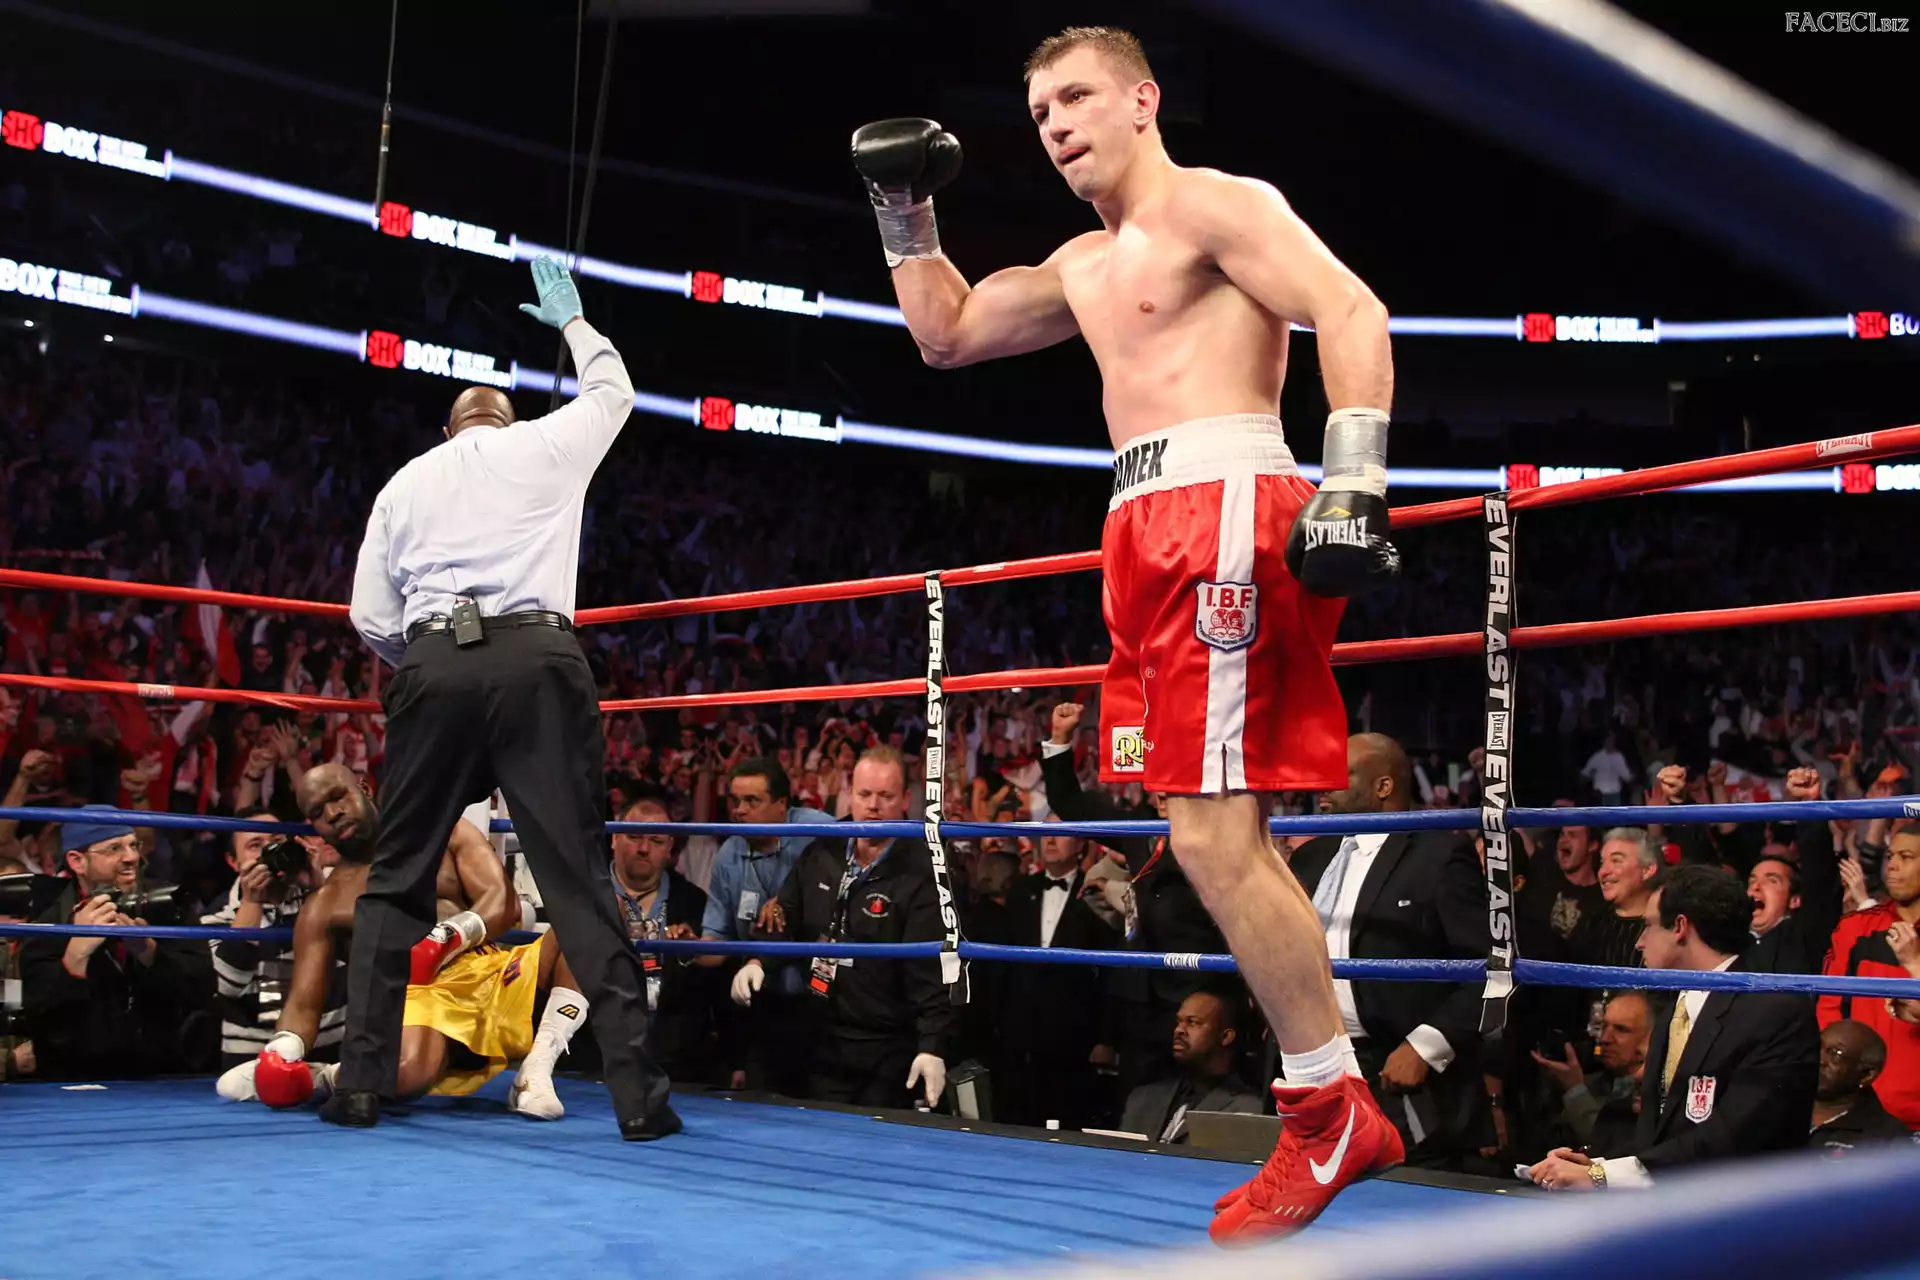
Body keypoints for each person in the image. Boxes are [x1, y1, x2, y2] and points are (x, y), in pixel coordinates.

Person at [855, 25, 1403, 1234]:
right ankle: (1332, 1100)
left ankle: (1328, 1108)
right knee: (1212, 830)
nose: (1056, 124)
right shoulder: (1083, 264)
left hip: (1223, 505)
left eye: (1077, 96)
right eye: (1040, 111)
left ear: (1143, 99)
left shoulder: (1216, 206)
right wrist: (904, 211)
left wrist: (1357, 479)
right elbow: (947, 334)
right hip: (1139, 526)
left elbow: (1349, 304)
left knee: (1209, 834)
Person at [343, 257, 675, 1140]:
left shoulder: (404, 483)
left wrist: (429, 656)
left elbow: (367, 616)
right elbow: (615, 390)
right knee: (577, 876)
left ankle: (360, 1085)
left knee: (396, 877)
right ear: (507, 420)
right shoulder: (542, 446)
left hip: (433, 665)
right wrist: (572, 322)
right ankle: (639, 1098)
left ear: (446, 429)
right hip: (536, 661)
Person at [218, 764, 589, 1120]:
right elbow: (304, 1003)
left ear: (364, 789)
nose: (332, 813)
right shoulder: (324, 905)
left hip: (490, 969)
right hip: (420, 994)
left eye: (337, 796)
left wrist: (444, 938)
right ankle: (322, 1078)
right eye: (317, 812)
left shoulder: (441, 832)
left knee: (591, 919)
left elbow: (504, 903)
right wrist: (282, 1052)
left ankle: (535, 1072)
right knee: (408, 1072)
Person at [1528, 865, 1820, 1189]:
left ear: (1680, 927)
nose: (1639, 942)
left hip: (1743, 1209)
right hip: (1672, 1207)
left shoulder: (1775, 1013)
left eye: (1648, 926)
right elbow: (1661, 1136)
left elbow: (1732, 1139)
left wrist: (1602, 1176)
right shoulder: (1674, 1011)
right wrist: (1597, 1164)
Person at [1289, 733, 1495, 1169]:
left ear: (1383, 786)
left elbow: (1487, 968)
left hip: (1399, 1073)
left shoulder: (1438, 853)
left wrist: (1426, 1046)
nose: (1322, 785)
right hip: (1319, 1067)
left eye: (1338, 774)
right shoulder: (1312, 856)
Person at [731, 748, 956, 1109]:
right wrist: (757, 960)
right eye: (865, 794)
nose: (873, 806)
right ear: (850, 795)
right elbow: (786, 912)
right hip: (822, 1036)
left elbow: (931, 968)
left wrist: (932, 1046)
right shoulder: (826, 847)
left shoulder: (924, 869)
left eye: (885, 796)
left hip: (888, 1045)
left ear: (905, 800)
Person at [1039, 702, 1224, 1106]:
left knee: (1199, 1109)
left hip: (1199, 997)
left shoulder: (1220, 836)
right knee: (1138, 1105)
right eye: (1157, 780)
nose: (1162, 791)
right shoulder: (1140, 828)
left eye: (1172, 779)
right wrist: (1060, 739)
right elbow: (1071, 805)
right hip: (1143, 1004)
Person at [17, 807, 214, 1080]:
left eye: (134, 845)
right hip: (75, 1079)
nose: (131, 857)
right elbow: (44, 1025)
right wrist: (76, 956)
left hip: (164, 1075)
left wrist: (149, 952)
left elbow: (204, 989)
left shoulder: (170, 902)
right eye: (114, 848)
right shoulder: (47, 923)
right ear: (77, 861)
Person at [702, 756, 834, 1092]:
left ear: (781, 804)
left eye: (752, 801)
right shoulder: (729, 856)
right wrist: (684, 947)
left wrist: (792, 901)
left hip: (824, 1002)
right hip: (763, 1003)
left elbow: (862, 862)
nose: (740, 811)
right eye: (735, 801)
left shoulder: (818, 831)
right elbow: (715, 943)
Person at [993, 813, 1123, 1130]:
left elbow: (1110, 972)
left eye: (1060, 832)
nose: (1050, 839)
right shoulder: (1020, 890)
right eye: (1047, 831)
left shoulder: (1096, 892)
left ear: (1080, 844)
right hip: (1019, 1032)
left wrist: (1105, 1038)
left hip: (1074, 1036)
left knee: (1067, 1123)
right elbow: (1001, 965)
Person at [199, 805, 340, 1070]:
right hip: (254, 1057)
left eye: (277, 840)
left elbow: (357, 953)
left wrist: (318, 892)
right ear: (233, 861)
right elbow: (229, 986)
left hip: (333, 1049)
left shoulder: (329, 885)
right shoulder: (218, 915)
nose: (270, 851)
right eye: (256, 845)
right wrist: (252, 903)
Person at [609, 795, 720, 1082]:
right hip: (595, 1049)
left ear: (670, 847)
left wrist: (691, 952)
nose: (644, 849)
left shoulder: (694, 903)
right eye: (634, 837)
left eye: (656, 841)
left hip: (674, 1057)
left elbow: (715, 982)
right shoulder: (586, 896)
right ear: (614, 838)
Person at [1818, 820, 1920, 1129]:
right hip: (1860, 1114)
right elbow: (1829, 1011)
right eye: (1890, 856)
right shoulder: (1856, 928)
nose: (1892, 866)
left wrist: (1914, 964)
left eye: (1906, 857)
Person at [1119, 985, 1266, 1145]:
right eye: (1178, 1022)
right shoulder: (1142, 1098)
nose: (1179, 1030)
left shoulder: (1247, 1110)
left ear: (1225, 1037)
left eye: (1193, 1022)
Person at [1528, 991, 1650, 1155]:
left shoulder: (1654, 1095)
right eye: (1604, 1027)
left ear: (1651, 1038)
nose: (1605, 1039)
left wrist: (1574, 1089)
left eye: (1621, 1030)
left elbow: (1611, 1145)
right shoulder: (1594, 1081)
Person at [1809, 1020, 1914, 1154]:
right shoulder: (1784, 1106)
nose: (1820, 1059)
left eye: (1836, 1054)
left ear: (1866, 1075)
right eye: (1818, 1046)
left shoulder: (1888, 1139)